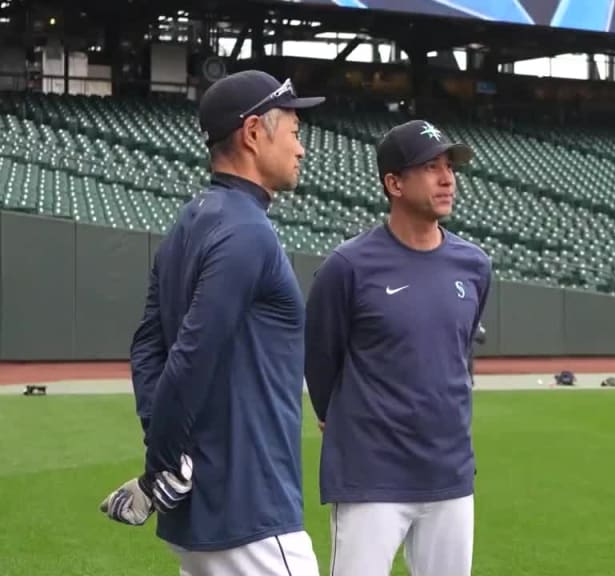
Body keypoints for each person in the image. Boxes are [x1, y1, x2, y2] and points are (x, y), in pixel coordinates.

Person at [99, 70, 324, 576]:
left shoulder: (187, 223)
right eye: (293, 131)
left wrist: (164, 456)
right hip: (252, 515)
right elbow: (191, 356)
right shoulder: (248, 232)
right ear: (252, 134)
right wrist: (161, 462)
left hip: (201, 514)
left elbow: (147, 349)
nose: (301, 148)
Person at [304, 119, 492, 576]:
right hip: (372, 478)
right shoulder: (347, 267)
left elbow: (457, 354)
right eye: (431, 167)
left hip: (449, 475)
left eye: (449, 166)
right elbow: (320, 362)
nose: (448, 178)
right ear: (394, 183)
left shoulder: (474, 264)